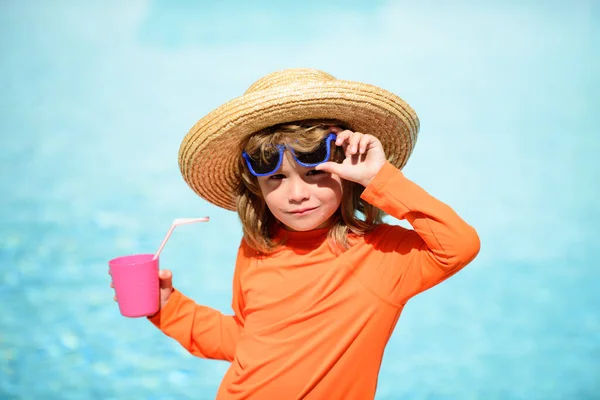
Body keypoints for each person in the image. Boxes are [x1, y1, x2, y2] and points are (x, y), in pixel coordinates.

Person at [112, 68, 480, 399]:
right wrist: (169, 308)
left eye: (315, 173)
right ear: (256, 188)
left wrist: (380, 179)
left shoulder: (382, 255)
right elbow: (248, 342)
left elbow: (459, 245)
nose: (297, 194)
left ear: (348, 173)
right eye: (276, 178)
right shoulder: (258, 249)